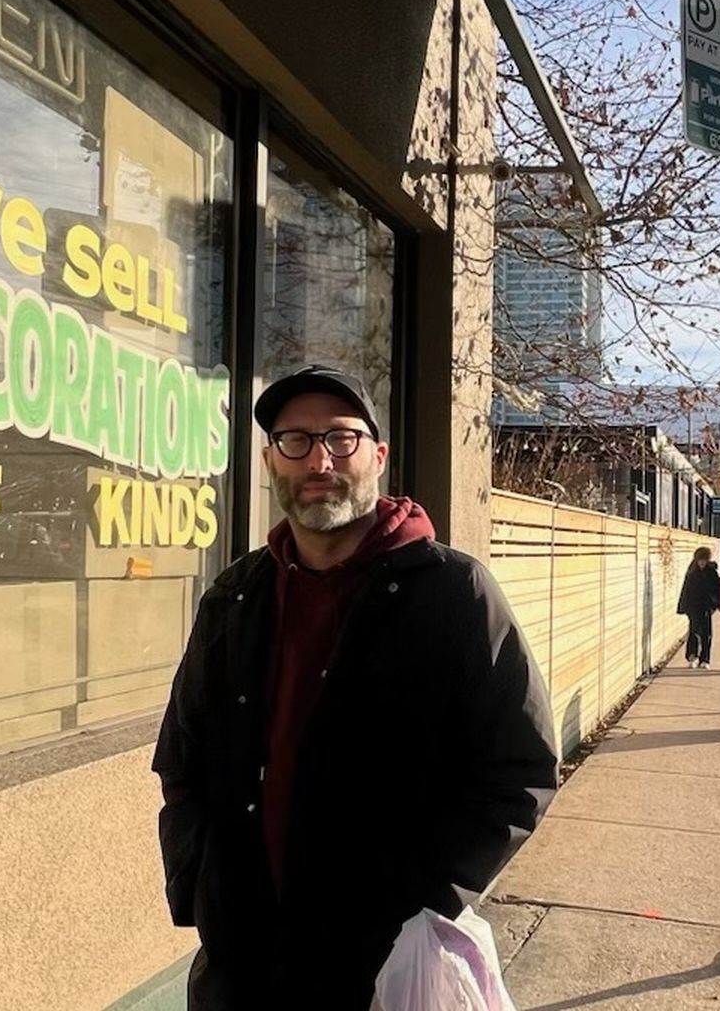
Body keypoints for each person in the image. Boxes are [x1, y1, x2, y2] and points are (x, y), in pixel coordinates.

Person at [153, 365, 560, 1009]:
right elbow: (183, 759)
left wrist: (430, 899)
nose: (319, 459)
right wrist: (201, 886)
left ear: (378, 455)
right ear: (269, 461)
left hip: (379, 961)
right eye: (295, 442)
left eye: (341, 438)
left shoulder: (454, 593)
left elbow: (522, 768)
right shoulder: (235, 596)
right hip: (244, 960)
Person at [676, 546, 720, 668]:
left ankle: (705, 659)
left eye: (704, 560)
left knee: (706, 633)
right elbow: (685, 590)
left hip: (706, 607)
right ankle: (692, 656)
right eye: (700, 560)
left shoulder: (712, 572)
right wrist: (683, 606)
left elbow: (717, 589)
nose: (702, 562)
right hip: (693, 606)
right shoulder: (692, 572)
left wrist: (716, 604)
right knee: (694, 631)